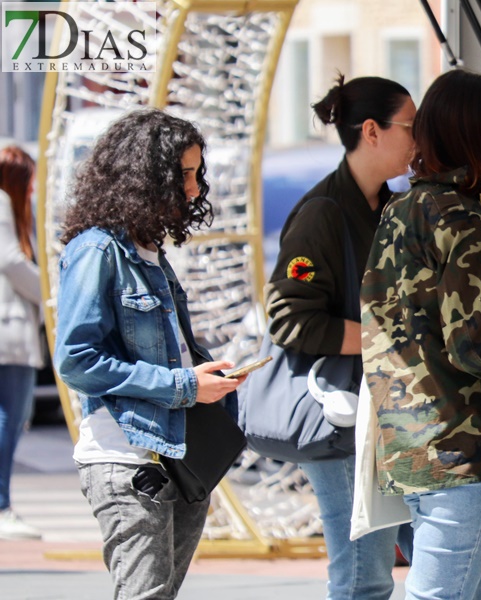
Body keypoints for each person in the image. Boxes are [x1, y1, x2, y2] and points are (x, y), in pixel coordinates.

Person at [53, 109, 243, 599]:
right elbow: (77, 359)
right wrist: (184, 385)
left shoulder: (149, 253)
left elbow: (164, 353)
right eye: (183, 175)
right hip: (127, 459)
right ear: (145, 176)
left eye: (198, 174)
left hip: (178, 457)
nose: (195, 189)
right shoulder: (98, 250)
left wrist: (203, 375)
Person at [360, 69, 481, 600]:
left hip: (408, 438)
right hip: (461, 446)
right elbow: (473, 345)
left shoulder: (399, 209)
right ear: (474, 137)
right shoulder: (464, 218)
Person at [265, 75, 415, 600]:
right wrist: (385, 339)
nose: (418, 141)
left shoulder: (390, 205)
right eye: (410, 127)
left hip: (386, 414)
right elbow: (289, 320)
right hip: (343, 416)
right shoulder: (321, 214)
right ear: (372, 131)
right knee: (363, 579)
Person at [0, 146, 43, 540]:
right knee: (8, 421)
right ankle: (1, 506)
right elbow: (12, 261)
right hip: (8, 332)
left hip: (10, 331)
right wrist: (52, 291)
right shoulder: (2, 204)